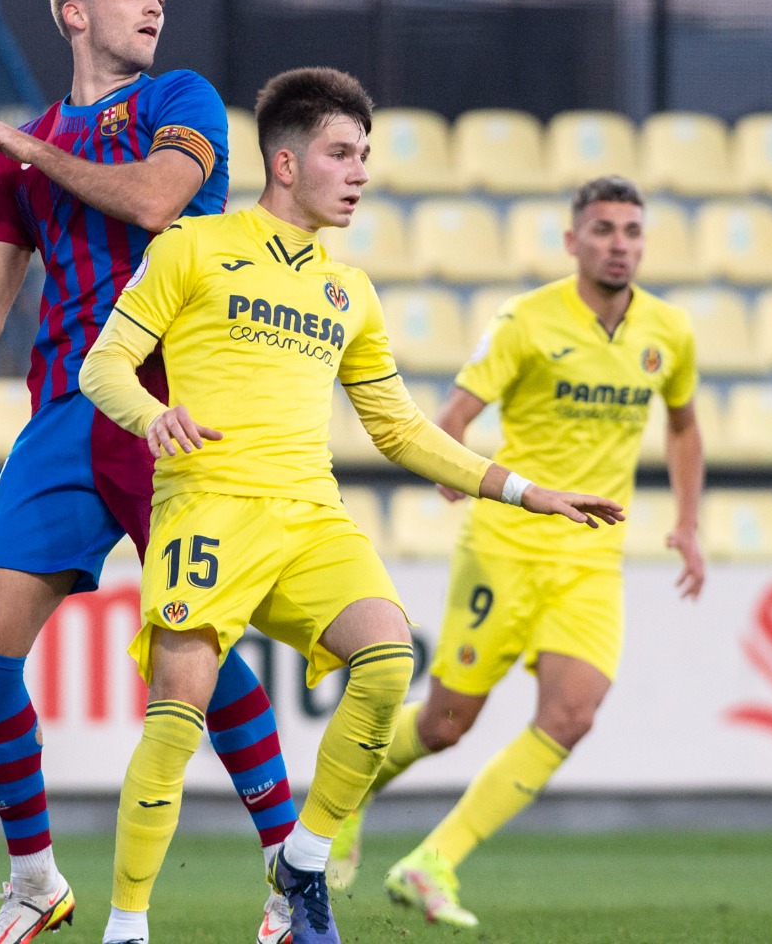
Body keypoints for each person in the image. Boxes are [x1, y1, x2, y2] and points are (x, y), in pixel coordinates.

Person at [79, 65, 625, 944]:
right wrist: (152, 416)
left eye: (365, 154)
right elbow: (102, 366)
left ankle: (300, 862)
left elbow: (401, 429)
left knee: (386, 656)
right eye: (342, 152)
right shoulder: (191, 247)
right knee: (178, 710)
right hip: (209, 506)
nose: (361, 172)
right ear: (286, 163)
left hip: (309, 516)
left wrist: (524, 490)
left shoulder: (351, 292)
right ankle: (128, 925)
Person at [0, 0, 296, 944]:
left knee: (191, 640)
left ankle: (290, 864)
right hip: (65, 413)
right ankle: (34, 879)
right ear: (75, 10)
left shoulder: (176, 101)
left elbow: (154, 198)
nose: (153, 6)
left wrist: (33, 148)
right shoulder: (31, 152)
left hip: (173, 401)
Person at [329, 175, 708, 929]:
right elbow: (455, 412)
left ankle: (433, 861)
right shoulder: (524, 322)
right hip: (505, 546)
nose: (619, 244)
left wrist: (689, 523)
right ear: (573, 242)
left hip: (593, 557)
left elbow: (684, 426)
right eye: (602, 229)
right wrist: (451, 463)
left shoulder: (668, 332)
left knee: (572, 715)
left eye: (632, 231)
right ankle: (345, 792)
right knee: (444, 726)